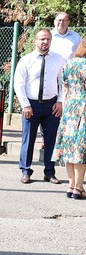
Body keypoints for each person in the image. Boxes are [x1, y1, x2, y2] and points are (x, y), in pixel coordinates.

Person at [13, 29, 66, 184]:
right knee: (28, 139)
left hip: (52, 105)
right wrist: (25, 105)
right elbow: (19, 83)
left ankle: (49, 172)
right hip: (32, 105)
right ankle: (26, 170)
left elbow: (63, 82)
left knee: (51, 140)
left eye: (48, 39)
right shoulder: (26, 60)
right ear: (36, 41)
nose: (45, 42)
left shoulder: (58, 59)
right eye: (42, 39)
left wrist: (60, 101)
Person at [51, 39, 86, 197]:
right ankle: (79, 187)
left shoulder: (69, 64)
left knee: (69, 147)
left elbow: (64, 89)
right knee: (80, 149)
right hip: (84, 109)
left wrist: (65, 109)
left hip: (70, 108)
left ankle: (71, 186)